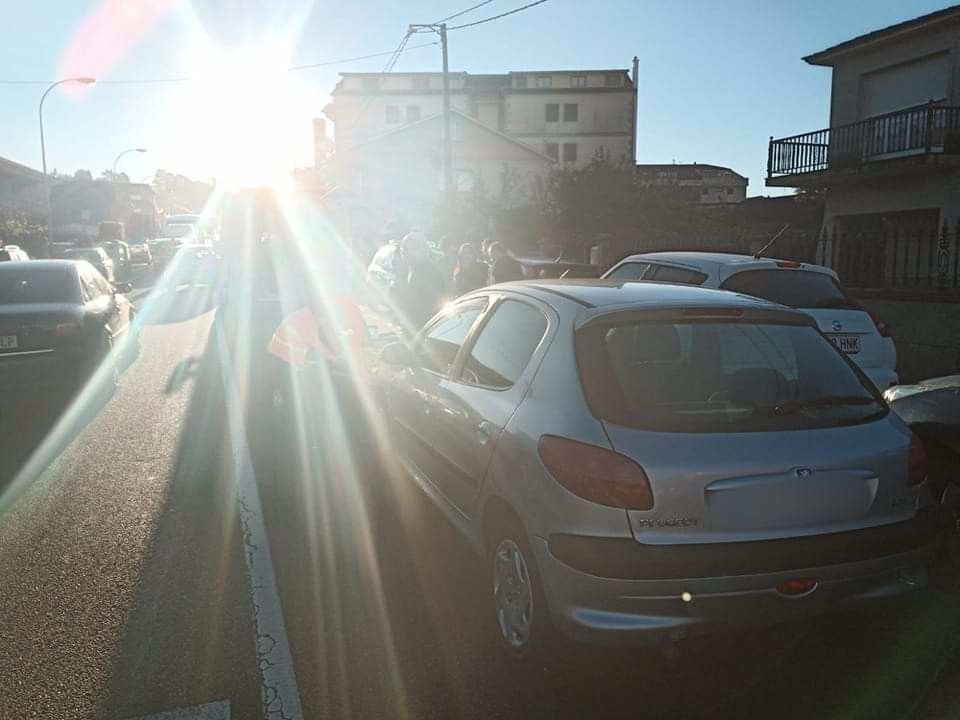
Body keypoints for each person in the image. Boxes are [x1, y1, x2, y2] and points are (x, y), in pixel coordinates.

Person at [396, 231, 446, 331]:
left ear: (423, 250)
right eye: (404, 251)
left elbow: (431, 305)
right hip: (417, 327)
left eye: (410, 250)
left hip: (425, 328)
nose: (405, 254)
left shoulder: (428, 272)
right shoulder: (412, 270)